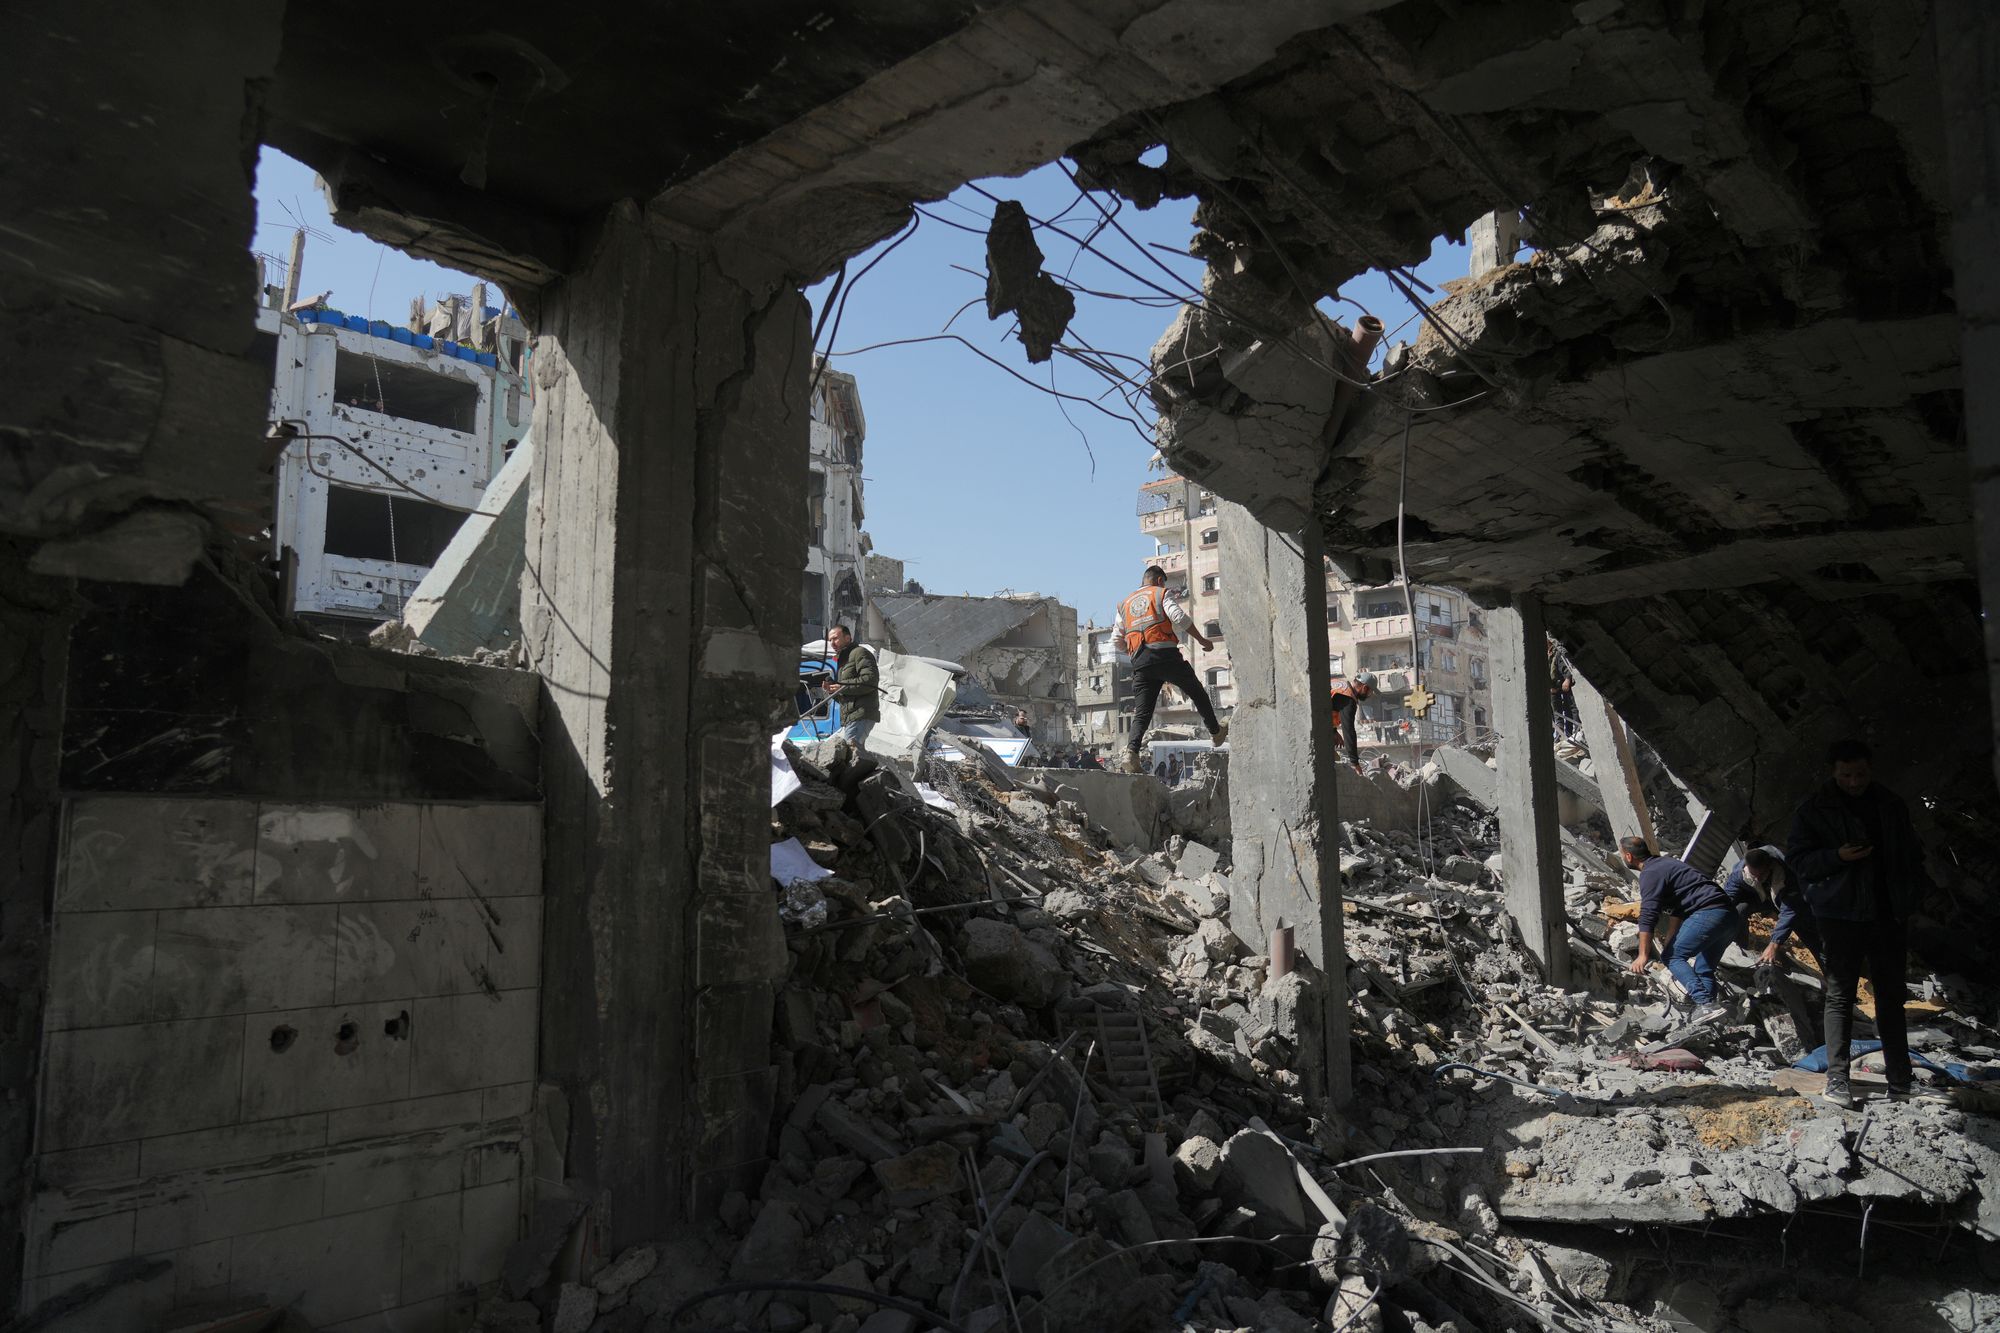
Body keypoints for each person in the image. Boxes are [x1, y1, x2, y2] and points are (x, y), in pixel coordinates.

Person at [1789, 739, 1931, 1108]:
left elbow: (1912, 855)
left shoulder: (1890, 804)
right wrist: (1837, 856)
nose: (1854, 782)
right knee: (1840, 995)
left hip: (1887, 914)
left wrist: (1910, 899)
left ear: (1871, 769)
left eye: (1861, 774)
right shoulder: (1814, 810)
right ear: (1833, 772)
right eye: (1847, 775)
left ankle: (1901, 1081)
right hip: (1840, 915)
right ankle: (1838, 1079)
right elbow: (1801, 863)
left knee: (1890, 997)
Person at [1115, 565, 1227, 772]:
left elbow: (1117, 640)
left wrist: (1135, 651)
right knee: (1196, 691)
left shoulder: (1124, 604)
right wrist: (1202, 640)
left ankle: (1131, 754)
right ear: (1159, 581)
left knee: (1142, 713)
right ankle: (1216, 732)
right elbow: (1179, 618)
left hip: (1140, 662)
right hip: (1165, 656)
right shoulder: (1160, 593)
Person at [1622, 836, 1736, 1020]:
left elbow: (1648, 915)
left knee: (1672, 956)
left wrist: (1643, 954)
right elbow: (1679, 909)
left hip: (1708, 912)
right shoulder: (1667, 864)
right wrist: (1670, 939)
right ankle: (1711, 1012)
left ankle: (1705, 1003)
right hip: (1729, 916)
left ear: (1628, 856)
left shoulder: (1650, 873)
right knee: (1704, 968)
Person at [1722, 845, 1823, 973]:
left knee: (1808, 933)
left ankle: (1832, 975)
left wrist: (1774, 944)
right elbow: (1728, 898)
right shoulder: (1740, 873)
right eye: (1754, 876)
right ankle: (1741, 947)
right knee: (1739, 910)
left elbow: (1789, 911)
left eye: (1761, 875)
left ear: (1769, 866)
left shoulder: (1788, 873)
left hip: (1791, 902)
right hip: (1762, 898)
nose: (1757, 879)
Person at [820, 624, 878, 750]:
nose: (832, 643)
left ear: (847, 638)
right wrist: (832, 691)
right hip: (851, 717)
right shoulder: (843, 660)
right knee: (851, 755)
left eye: (835, 638)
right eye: (830, 640)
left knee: (849, 755)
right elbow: (845, 697)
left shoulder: (859, 653)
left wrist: (841, 687)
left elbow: (870, 681)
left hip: (860, 714)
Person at [1329, 671, 1377, 771]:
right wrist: (1355, 763)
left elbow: (1327, 708)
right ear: (1364, 688)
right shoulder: (1348, 699)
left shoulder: (1340, 685)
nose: (1370, 695)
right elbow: (1349, 731)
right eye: (1370, 692)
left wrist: (1333, 731)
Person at [1548, 637, 1579, 740]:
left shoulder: (1557, 653)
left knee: (1570, 708)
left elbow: (1565, 667)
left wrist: (1567, 679)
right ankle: (1559, 735)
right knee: (1556, 713)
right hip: (1553, 688)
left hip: (1562, 685)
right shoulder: (1546, 654)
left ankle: (1574, 733)